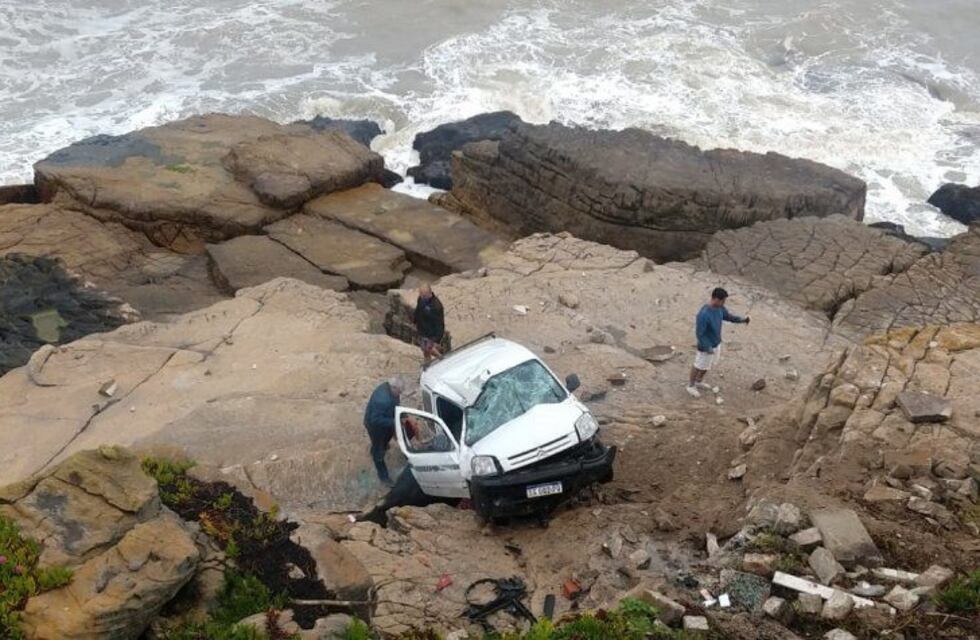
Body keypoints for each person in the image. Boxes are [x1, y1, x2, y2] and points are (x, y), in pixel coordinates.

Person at [687, 287, 750, 398]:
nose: (723, 303)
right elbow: (700, 334)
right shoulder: (704, 314)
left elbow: (728, 316)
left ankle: (699, 381)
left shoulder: (720, 308)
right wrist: (707, 346)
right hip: (706, 347)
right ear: (716, 299)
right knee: (698, 365)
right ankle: (691, 385)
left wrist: (741, 320)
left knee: (707, 365)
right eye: (722, 301)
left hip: (716, 343)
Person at [363, 376, 403, 485]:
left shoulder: (390, 388)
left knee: (385, 440)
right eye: (399, 391)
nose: (400, 394)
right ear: (393, 388)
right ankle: (384, 477)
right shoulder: (382, 400)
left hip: (385, 421)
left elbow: (395, 403)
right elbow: (375, 420)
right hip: (375, 427)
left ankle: (381, 446)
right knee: (379, 452)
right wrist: (394, 422)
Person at [413, 283, 445, 363]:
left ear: (429, 293)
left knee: (428, 348)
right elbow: (418, 310)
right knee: (424, 349)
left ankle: (441, 359)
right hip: (422, 329)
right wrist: (415, 321)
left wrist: (437, 339)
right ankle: (427, 363)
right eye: (421, 294)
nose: (421, 297)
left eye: (424, 295)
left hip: (431, 332)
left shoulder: (436, 306)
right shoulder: (420, 299)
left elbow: (440, 324)